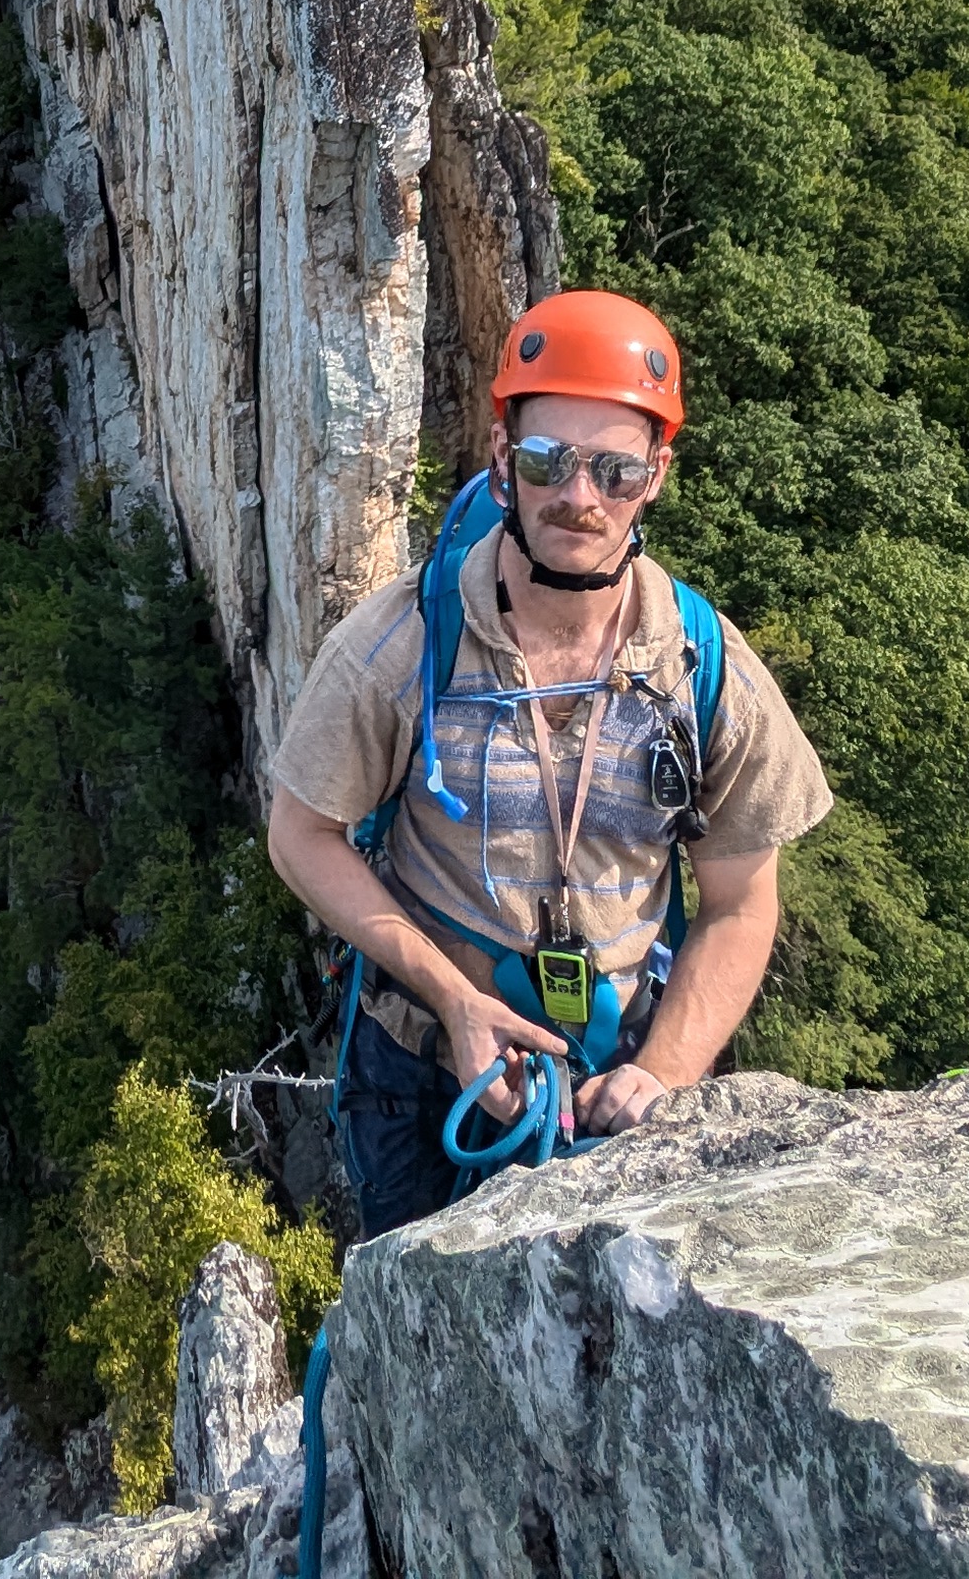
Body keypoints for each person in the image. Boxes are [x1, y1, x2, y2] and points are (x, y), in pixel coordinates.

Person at [264, 289, 832, 1237]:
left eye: (613, 469)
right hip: (424, 1075)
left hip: (621, 1078)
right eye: (546, 461)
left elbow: (741, 903)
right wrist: (453, 1002)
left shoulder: (701, 665)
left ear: (656, 475)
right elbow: (301, 832)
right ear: (501, 461)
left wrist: (667, 1073)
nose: (578, 496)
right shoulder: (402, 647)